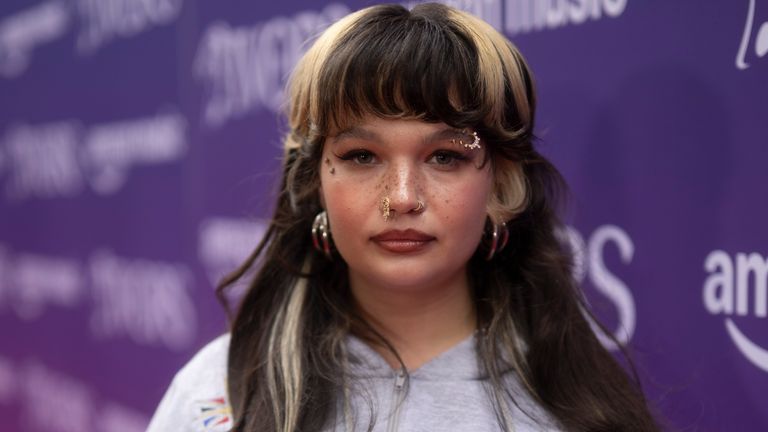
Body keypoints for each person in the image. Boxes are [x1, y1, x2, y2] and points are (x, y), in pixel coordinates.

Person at [147, 3, 660, 431]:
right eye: (361, 156)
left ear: (501, 186)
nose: (403, 198)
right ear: (314, 182)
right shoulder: (215, 393)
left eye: (446, 157)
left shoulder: (572, 412)